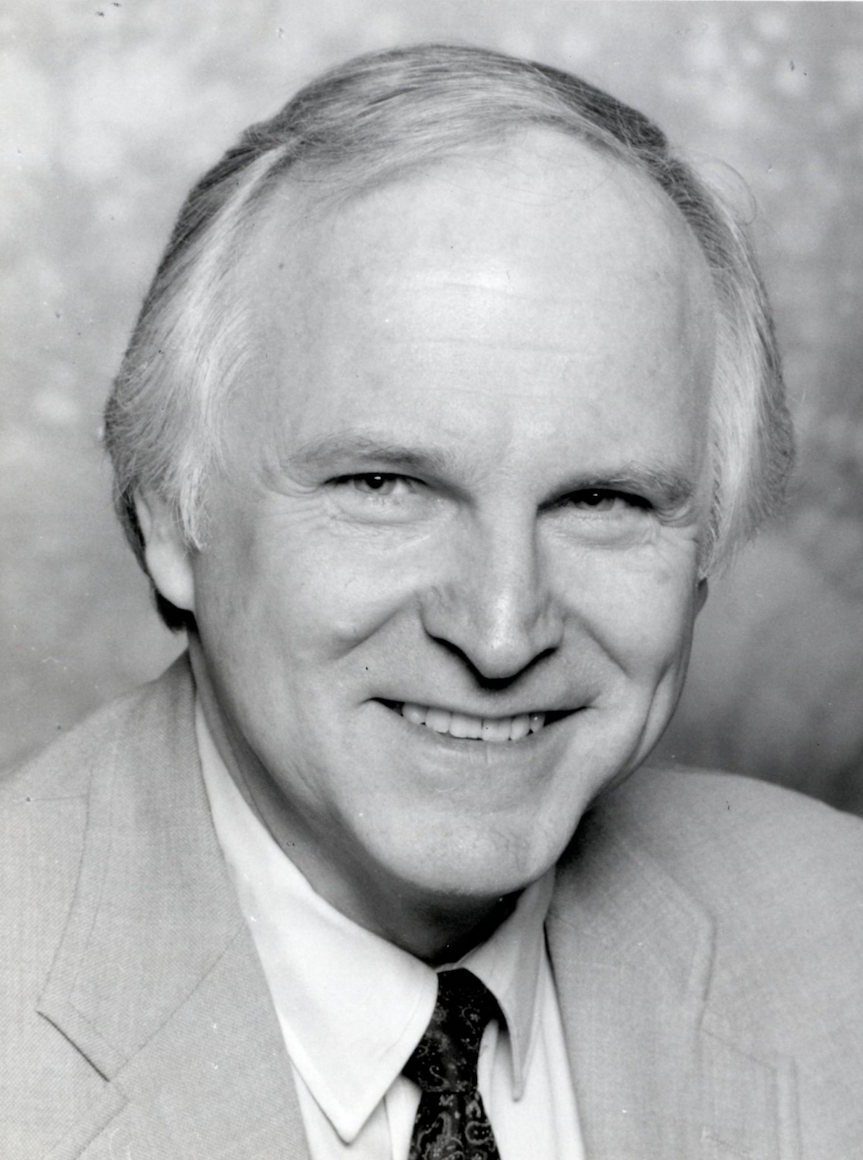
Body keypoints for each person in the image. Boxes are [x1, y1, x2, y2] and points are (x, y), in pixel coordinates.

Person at [2, 43, 861, 1160]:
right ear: (169, 515)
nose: (501, 631)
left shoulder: (837, 937)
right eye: (385, 485)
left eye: (601, 499)